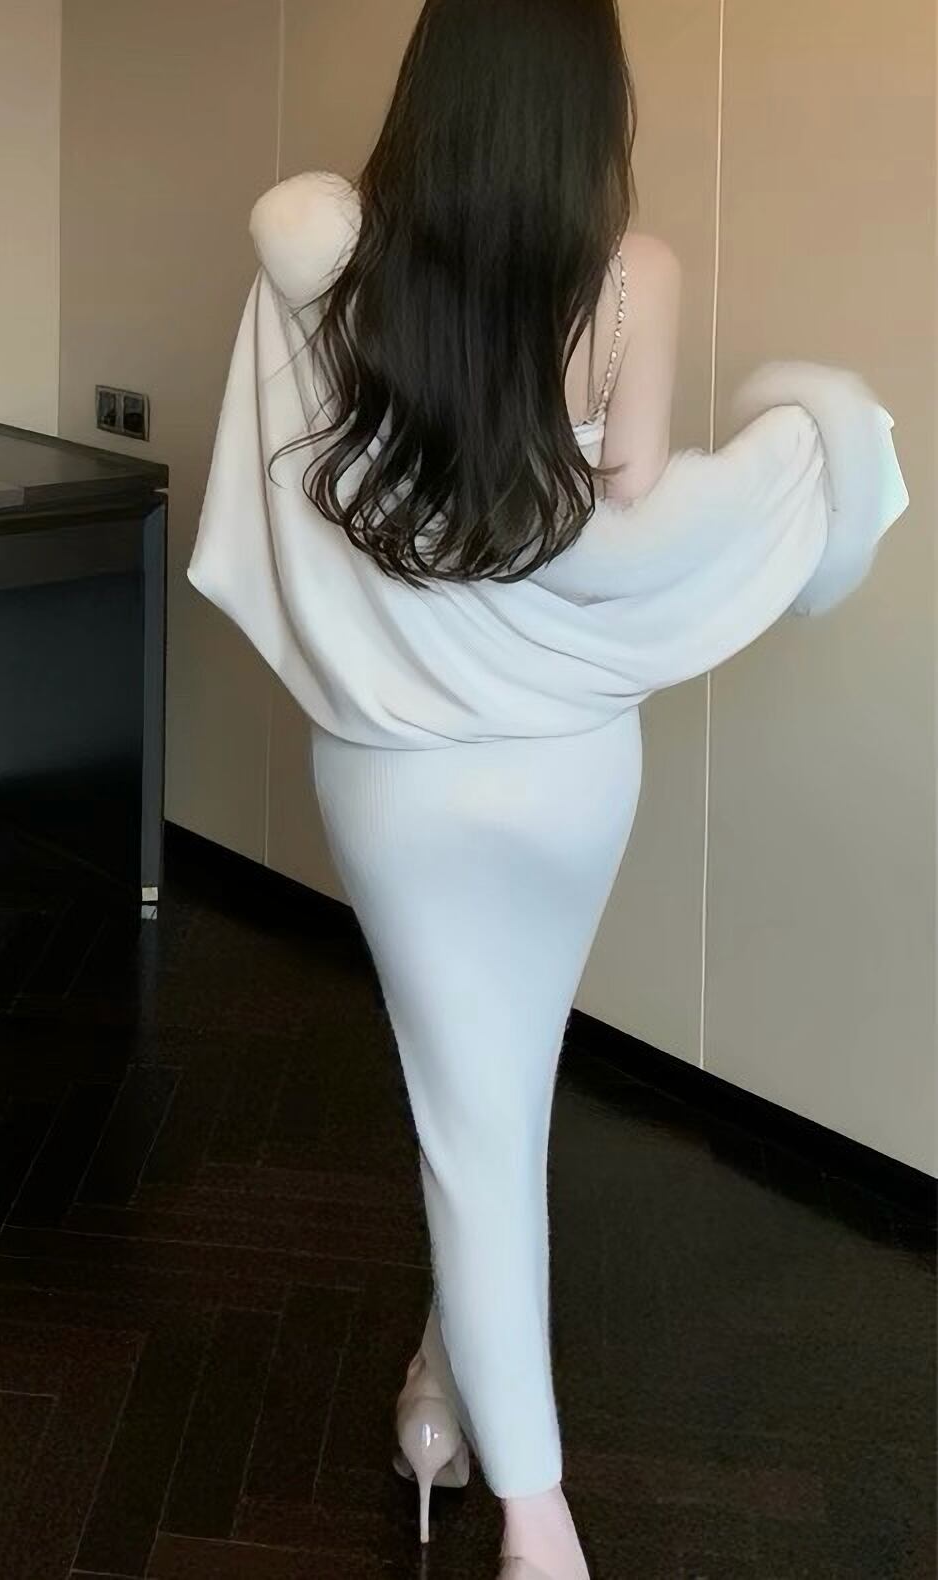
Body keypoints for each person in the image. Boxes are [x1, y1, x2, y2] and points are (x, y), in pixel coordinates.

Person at [188, 2, 909, 1577]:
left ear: (434, 88)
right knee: (498, 1095)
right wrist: (801, 456)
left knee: (479, 1108)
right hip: (569, 764)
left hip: (398, 771)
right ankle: (490, 1452)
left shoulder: (344, 262)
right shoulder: (636, 277)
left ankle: (503, 1477)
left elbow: (293, 223)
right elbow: (617, 527)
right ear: (592, 108)